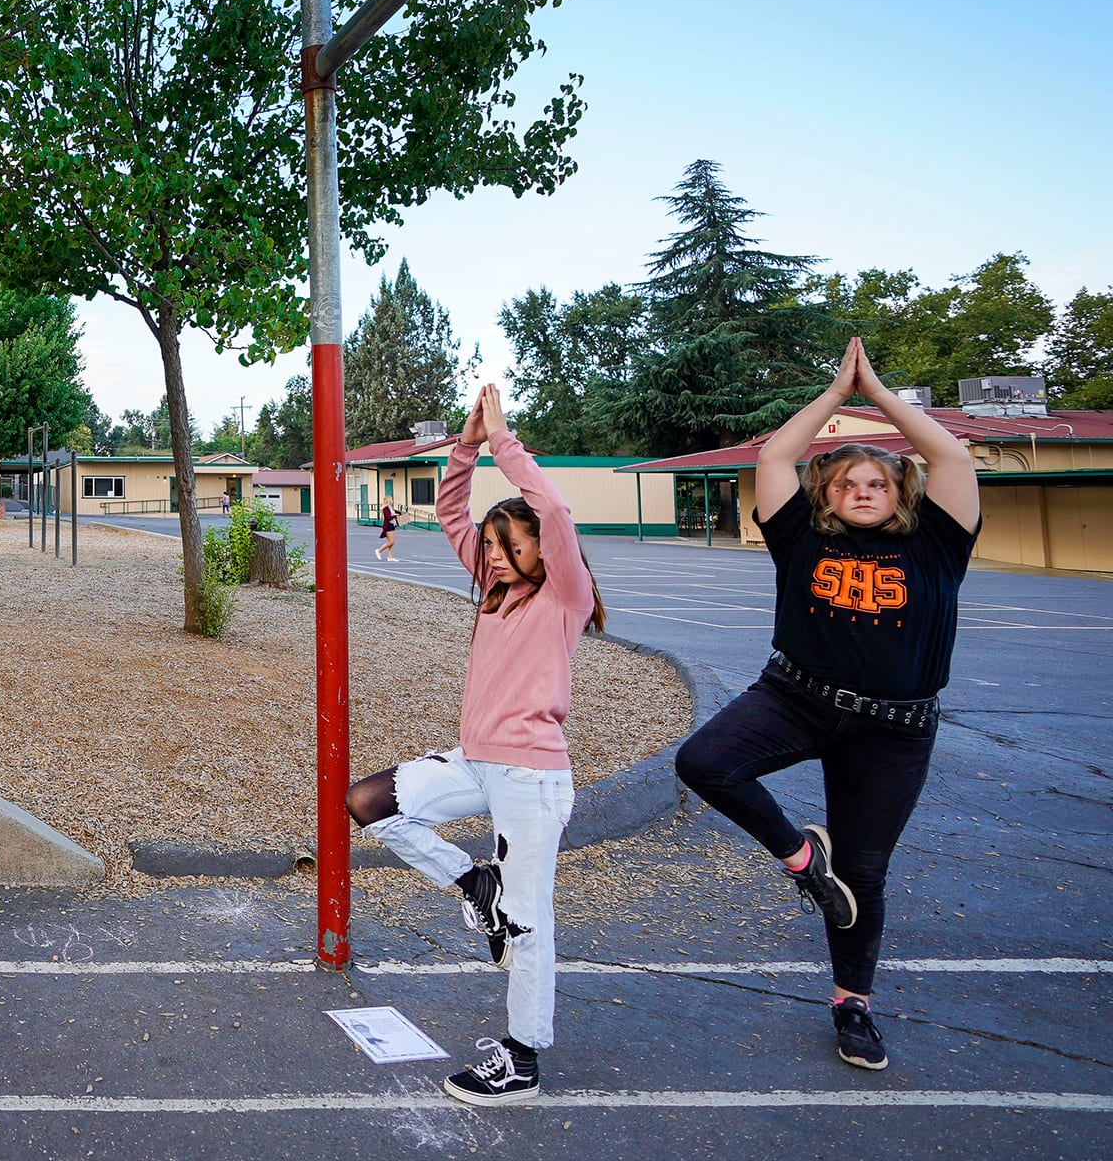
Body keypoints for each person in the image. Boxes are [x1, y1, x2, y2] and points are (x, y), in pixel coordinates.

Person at [674, 338, 979, 1072]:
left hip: (893, 730)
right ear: (828, 496)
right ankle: (804, 857)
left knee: (864, 876)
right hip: (797, 699)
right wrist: (836, 396)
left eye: (877, 483)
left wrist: (880, 397)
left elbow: (952, 457)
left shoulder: (938, 544)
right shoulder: (802, 539)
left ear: (899, 493)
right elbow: (777, 457)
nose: (862, 492)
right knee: (704, 762)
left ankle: (853, 1005)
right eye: (846, 484)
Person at [343, 384, 602, 1106]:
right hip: (475, 762)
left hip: (531, 778)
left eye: (510, 543)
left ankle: (522, 1058)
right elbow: (451, 510)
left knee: (527, 922)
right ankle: (472, 884)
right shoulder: (493, 590)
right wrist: (463, 447)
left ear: (542, 548)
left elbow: (555, 511)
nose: (495, 554)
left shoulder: (565, 596)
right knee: (370, 802)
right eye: (490, 545)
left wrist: (503, 441)